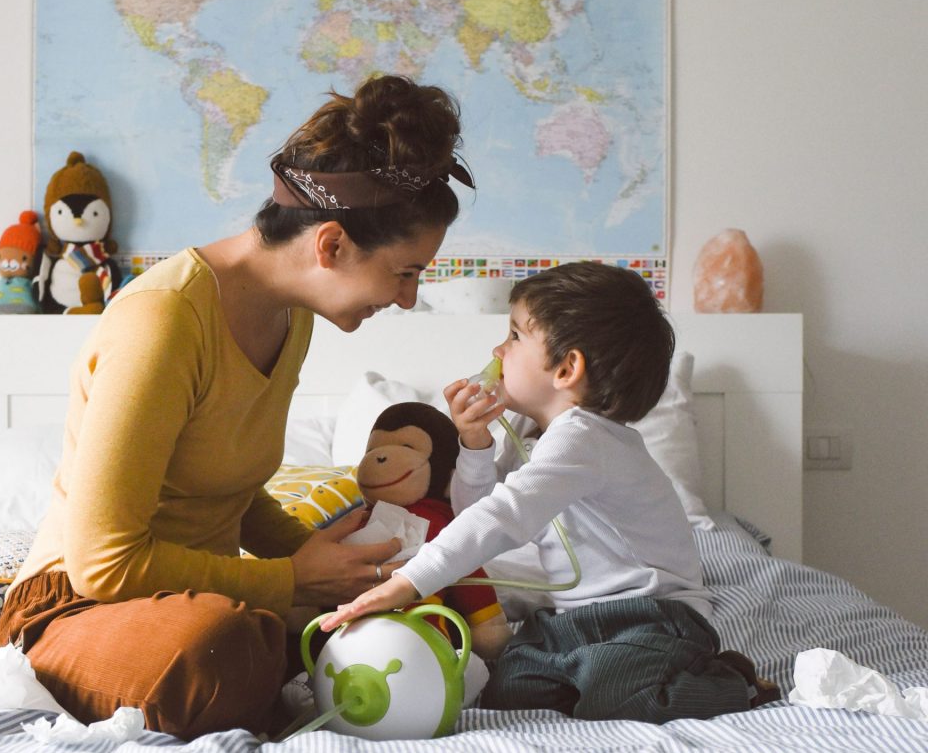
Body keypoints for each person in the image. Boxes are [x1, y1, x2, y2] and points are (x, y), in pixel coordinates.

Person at [0, 74, 473, 740]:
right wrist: (286, 579)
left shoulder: (291, 315)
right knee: (229, 647)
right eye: (406, 272)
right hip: (79, 609)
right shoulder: (163, 322)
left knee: (332, 633)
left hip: (203, 602)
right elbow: (103, 562)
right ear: (330, 245)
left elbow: (228, 491)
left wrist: (331, 569)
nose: (408, 299)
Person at [322, 262, 778, 724]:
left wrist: (408, 581)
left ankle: (731, 681)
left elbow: (503, 516)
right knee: (508, 687)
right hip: (575, 622)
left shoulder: (584, 437)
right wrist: (475, 443)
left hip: (654, 617)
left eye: (515, 336)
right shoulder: (536, 439)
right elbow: (473, 513)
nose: (498, 350)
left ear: (566, 368)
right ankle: (587, 675)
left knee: (614, 693)